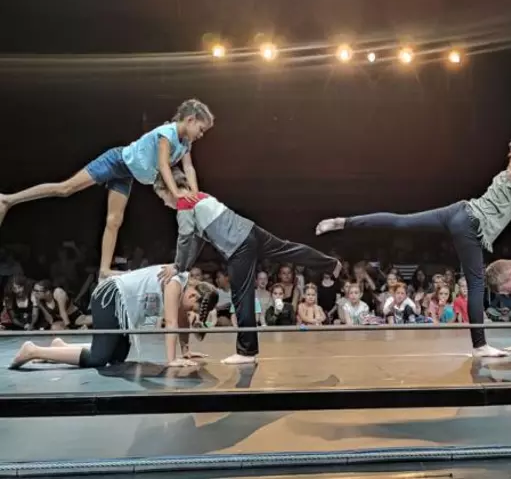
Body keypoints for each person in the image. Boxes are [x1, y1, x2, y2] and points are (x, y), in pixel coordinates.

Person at [316, 139, 511, 358]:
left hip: (457, 210)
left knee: (403, 221)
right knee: (476, 283)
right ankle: (480, 346)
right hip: (469, 226)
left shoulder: (506, 176)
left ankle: (343, 222)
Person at [0, 99, 214, 277]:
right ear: (190, 120)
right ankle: (8, 199)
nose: (201, 134)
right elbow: (164, 166)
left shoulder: (186, 143)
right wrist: (177, 193)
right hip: (115, 161)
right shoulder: (167, 133)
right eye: (201, 129)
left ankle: (104, 269)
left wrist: (194, 195)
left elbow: (188, 167)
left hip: (127, 174)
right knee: (65, 189)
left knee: (114, 220)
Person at [154, 168, 341, 365]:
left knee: (241, 296)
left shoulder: (184, 204)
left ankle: (246, 351)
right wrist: (183, 266)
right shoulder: (200, 197)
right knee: (288, 249)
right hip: (251, 231)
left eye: (163, 197)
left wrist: (177, 266)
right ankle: (331, 265)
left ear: (169, 190)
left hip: (238, 245)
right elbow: (197, 240)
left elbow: (184, 239)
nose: (165, 203)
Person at [9, 265, 218, 369]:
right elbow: (172, 323)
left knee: (116, 357)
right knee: (99, 359)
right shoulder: (175, 283)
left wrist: (187, 352)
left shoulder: (183, 287)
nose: (190, 312)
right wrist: (173, 361)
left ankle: (59, 347)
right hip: (109, 298)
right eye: (193, 307)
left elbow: (181, 320)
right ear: (193, 295)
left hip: (120, 305)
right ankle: (33, 351)